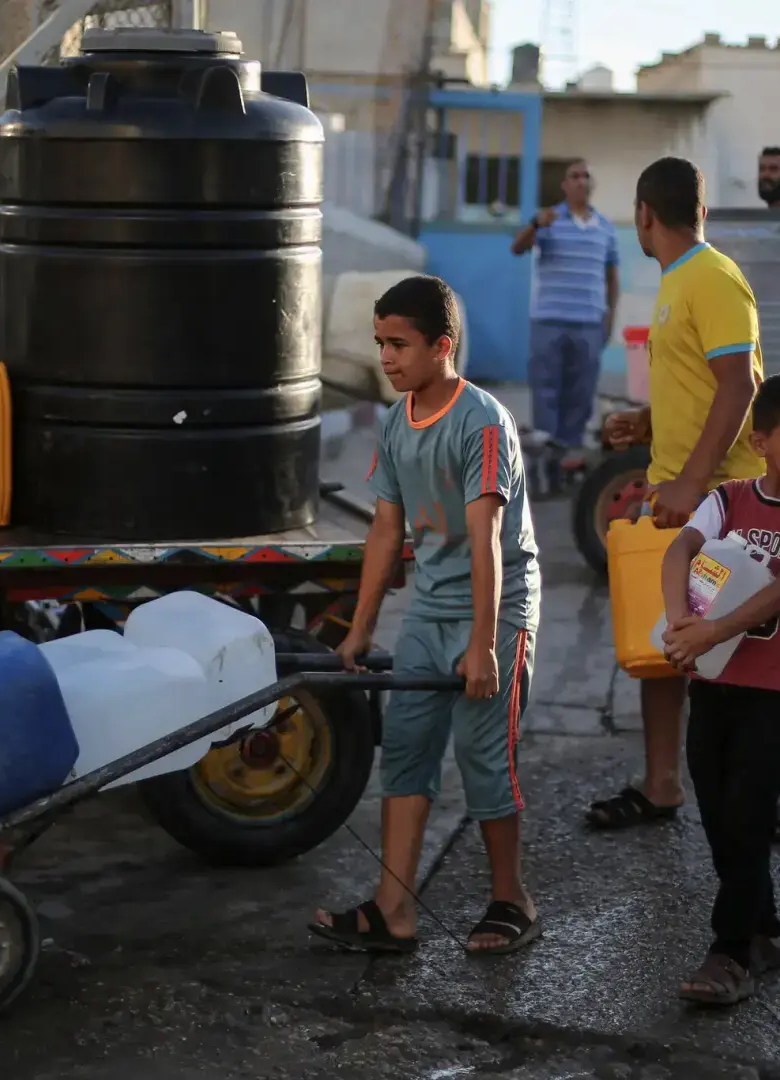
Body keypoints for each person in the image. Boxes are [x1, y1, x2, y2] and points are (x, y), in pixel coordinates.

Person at [311, 275, 542, 955]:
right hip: (431, 609)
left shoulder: (481, 420)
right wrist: (358, 628)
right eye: (379, 342)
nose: (385, 357)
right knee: (406, 752)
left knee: (482, 757)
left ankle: (511, 900)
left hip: (495, 610)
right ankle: (394, 911)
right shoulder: (395, 420)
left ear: (443, 346)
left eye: (399, 344)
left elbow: (486, 540)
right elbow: (386, 532)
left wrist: (484, 645)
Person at [587, 157, 780, 845]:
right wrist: (647, 428)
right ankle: (660, 786)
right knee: (663, 642)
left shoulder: (710, 277)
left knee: (726, 659)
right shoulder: (677, 282)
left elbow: (739, 389)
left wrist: (688, 483)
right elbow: (701, 386)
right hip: (680, 500)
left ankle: (751, 802)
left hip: (722, 504)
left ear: (646, 214)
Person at [658, 371, 780, 1006]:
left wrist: (710, 631)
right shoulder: (729, 498)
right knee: (717, 813)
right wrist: (680, 621)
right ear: (761, 440)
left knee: (747, 814)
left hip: (773, 691)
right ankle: (765, 932)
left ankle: (731, 953)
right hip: (711, 679)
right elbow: (678, 552)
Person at [510, 159, 621, 490]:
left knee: (580, 397)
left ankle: (565, 468)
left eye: (586, 176)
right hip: (549, 322)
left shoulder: (605, 228)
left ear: (591, 184)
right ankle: (543, 470)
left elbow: (612, 278)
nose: (581, 182)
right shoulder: (549, 221)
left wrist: (609, 318)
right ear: (565, 185)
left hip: (588, 324)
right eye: (574, 176)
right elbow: (517, 248)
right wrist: (534, 224)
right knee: (547, 394)